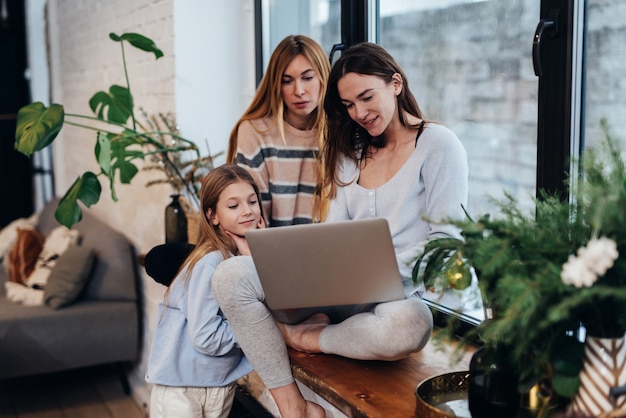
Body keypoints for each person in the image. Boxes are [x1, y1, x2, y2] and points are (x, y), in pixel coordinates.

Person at [212, 42, 468, 418]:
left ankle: (307, 337)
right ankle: (291, 405)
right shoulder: (351, 153)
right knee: (230, 276)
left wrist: (377, 274)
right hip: (339, 290)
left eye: (366, 97)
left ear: (395, 84)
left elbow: (446, 244)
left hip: (395, 297)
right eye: (349, 105)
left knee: (413, 324)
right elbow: (333, 235)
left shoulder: (438, 145)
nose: (360, 113)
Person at [146, 164, 266, 418]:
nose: (247, 211)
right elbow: (206, 337)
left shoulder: (241, 258)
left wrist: (256, 258)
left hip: (219, 385)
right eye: (233, 206)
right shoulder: (211, 262)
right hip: (183, 391)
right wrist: (257, 326)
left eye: (252, 202)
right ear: (212, 216)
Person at [227, 34, 331, 226]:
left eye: (308, 78)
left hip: (329, 250)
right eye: (287, 81)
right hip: (269, 250)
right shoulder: (255, 133)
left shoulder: (339, 133)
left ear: (323, 77)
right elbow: (251, 218)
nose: (299, 90)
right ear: (276, 85)